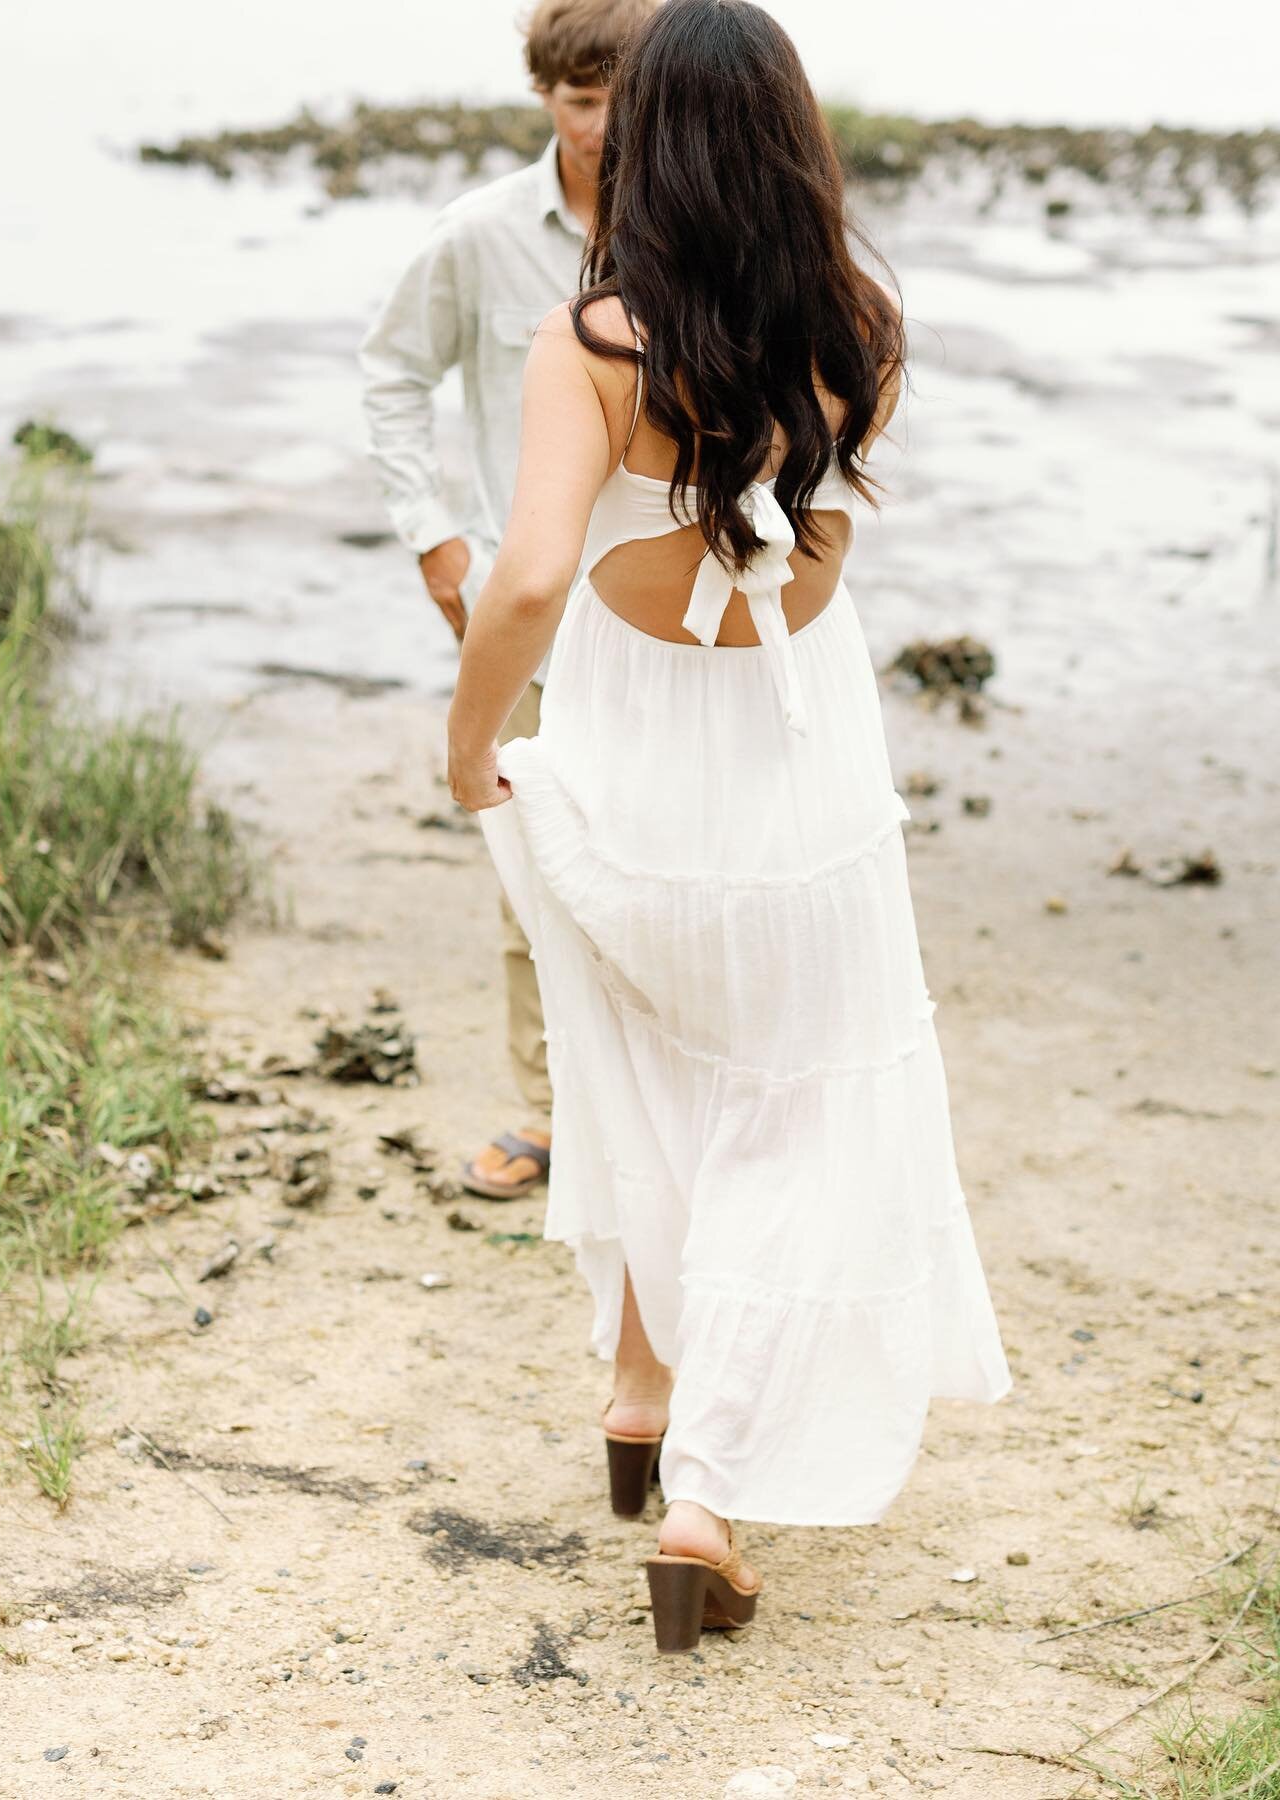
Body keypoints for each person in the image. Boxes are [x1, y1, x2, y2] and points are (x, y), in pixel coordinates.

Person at [446, 0, 1013, 1654]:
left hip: (632, 786)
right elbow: (791, 549)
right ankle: (696, 1479)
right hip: (803, 794)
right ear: (791, 137)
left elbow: (538, 573)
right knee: (795, 1116)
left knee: (635, 1080)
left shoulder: (593, 343)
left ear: (646, 144)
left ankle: (648, 1414)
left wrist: (470, 736)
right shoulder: (864, 327)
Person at [358, 0, 658, 1201]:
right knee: (534, 861)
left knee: (667, 852)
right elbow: (392, 374)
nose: (604, 125)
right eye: (583, 101)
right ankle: (550, 1113)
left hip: (664, 608)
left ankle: (660, 1097)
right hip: (526, 602)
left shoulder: (692, 231)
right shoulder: (477, 235)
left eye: (623, 98)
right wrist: (432, 539)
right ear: (545, 97)